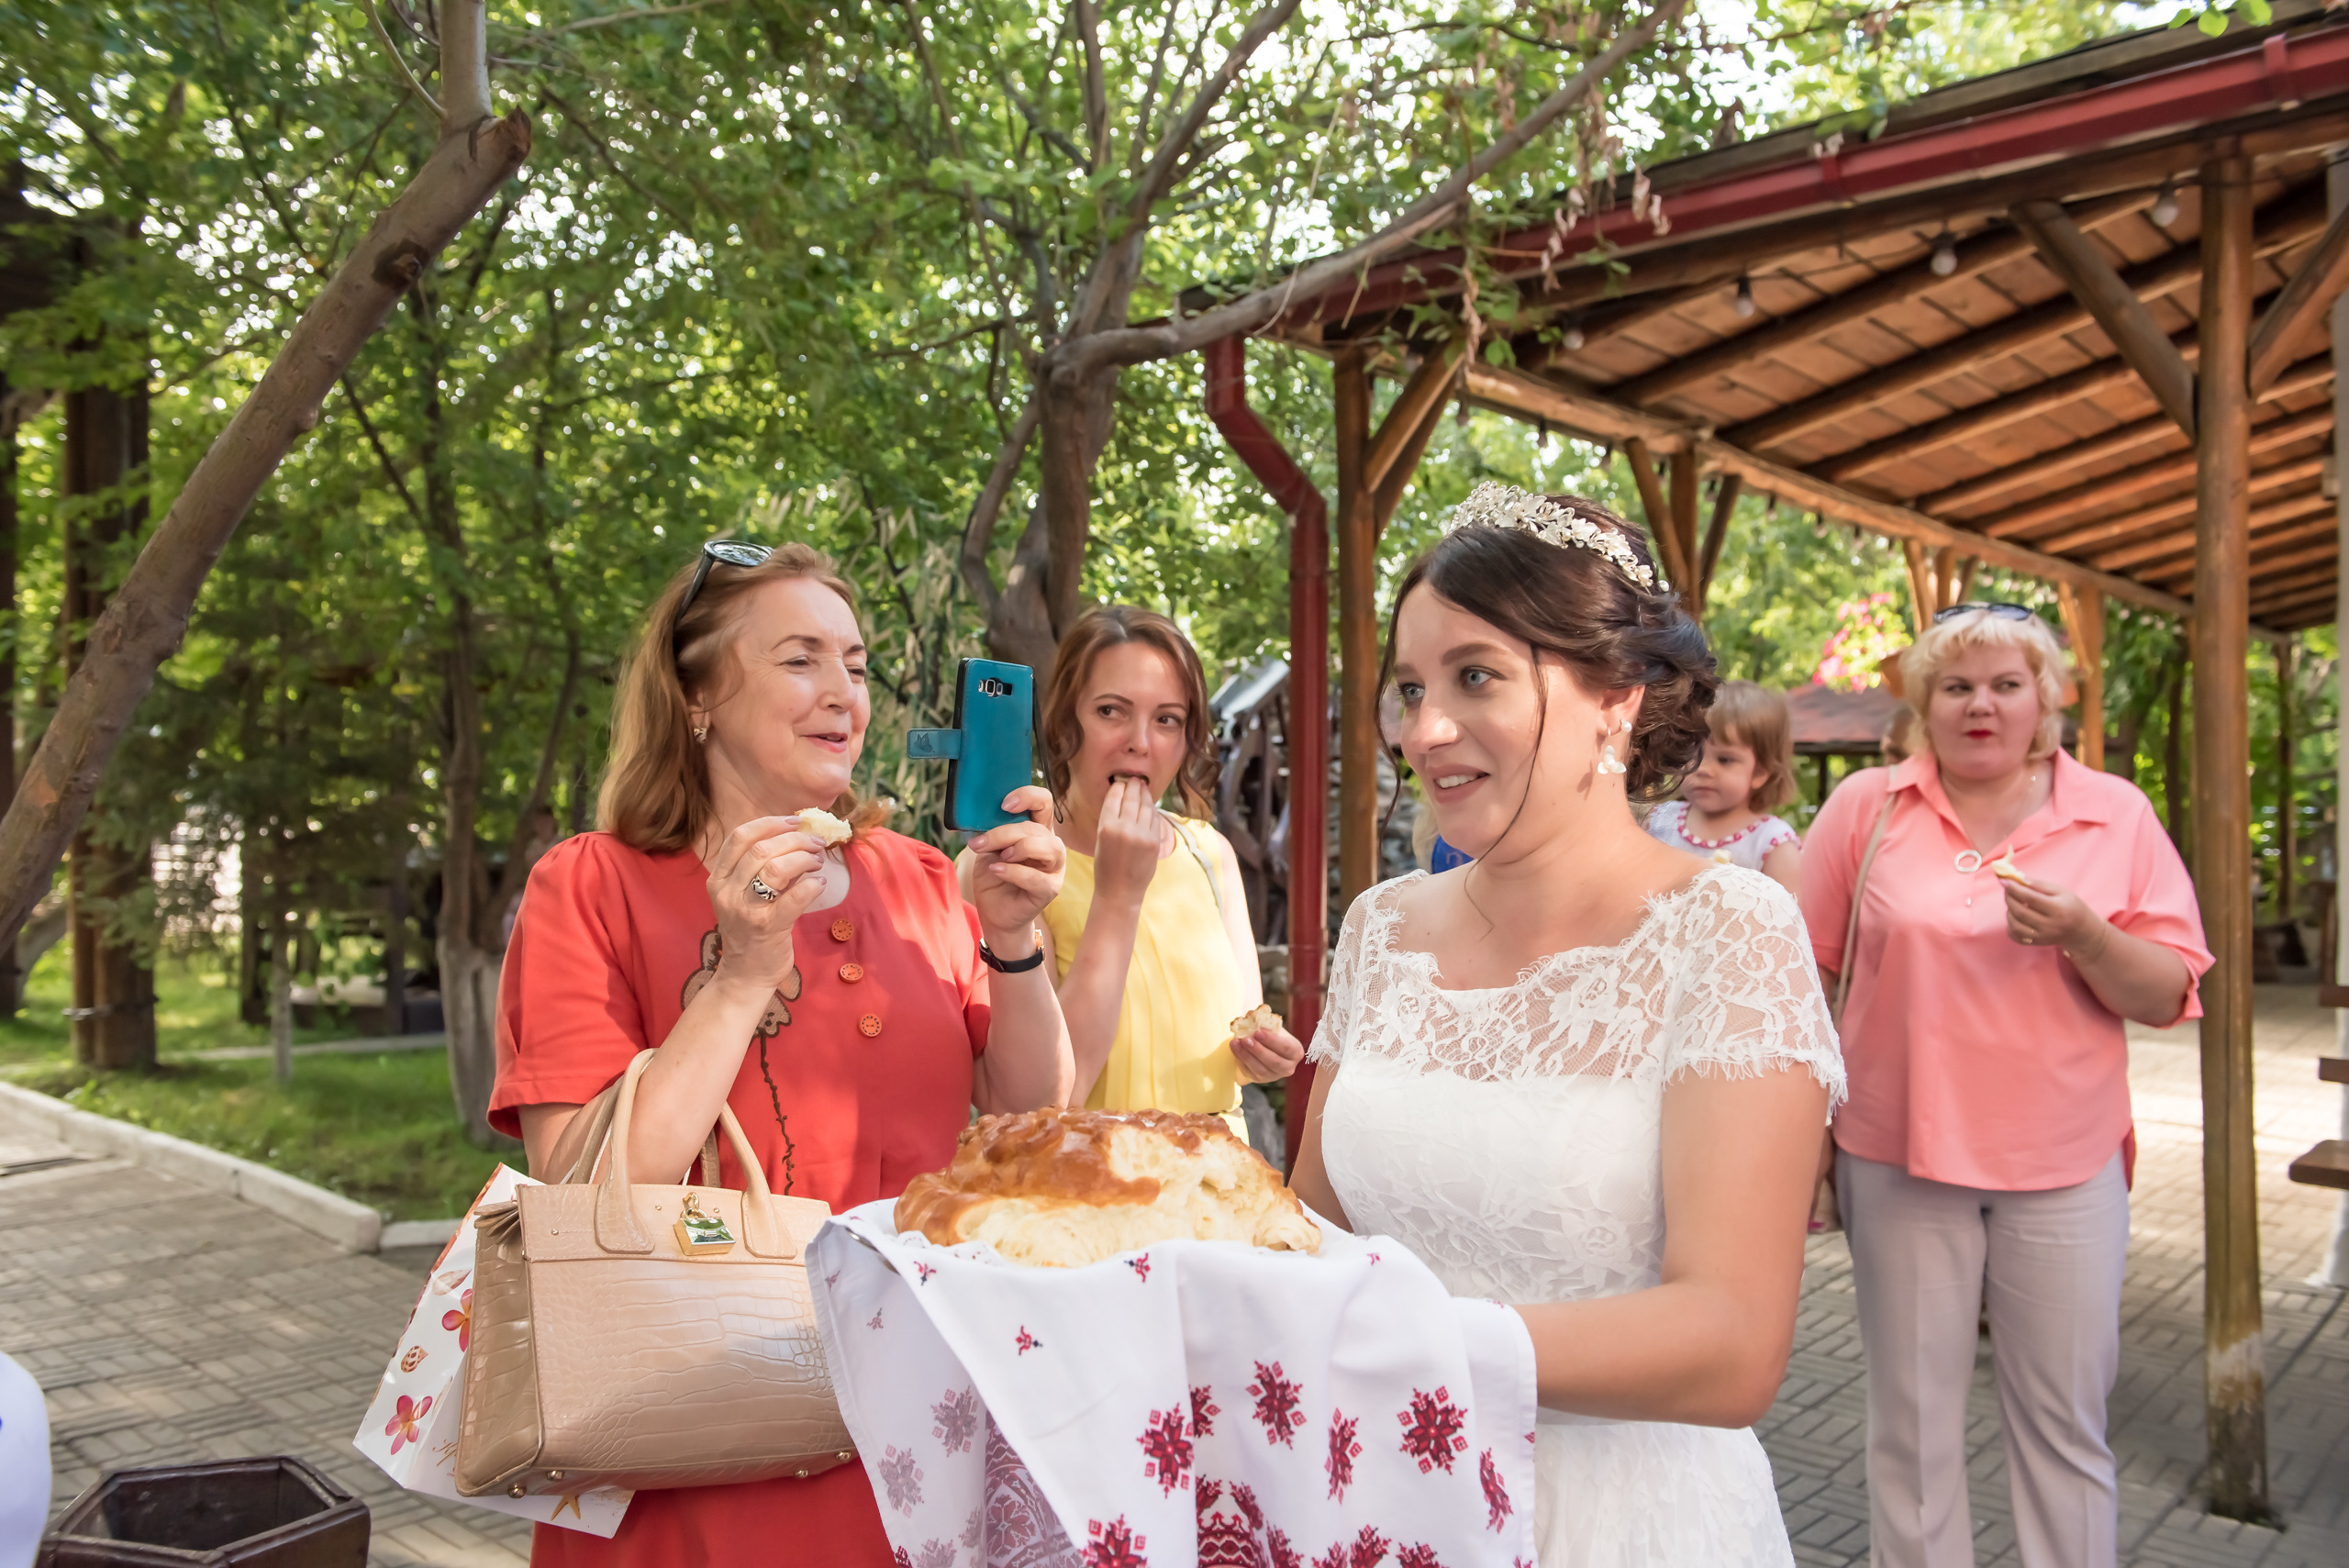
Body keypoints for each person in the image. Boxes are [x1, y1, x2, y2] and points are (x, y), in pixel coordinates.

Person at [1289, 483, 1843, 1567]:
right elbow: (1311, 1231)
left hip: (1616, 1519)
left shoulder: (1724, 931)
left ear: (1616, 696)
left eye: (1476, 676)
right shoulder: (1382, 927)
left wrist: (1404, 1346)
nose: (1425, 730)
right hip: (1383, 1505)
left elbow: (1732, 1343)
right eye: (1408, 688)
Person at [491, 540, 1074, 1568]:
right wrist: (743, 968)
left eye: (853, 662)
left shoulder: (920, 877)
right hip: (694, 1442)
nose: (843, 692)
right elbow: (587, 1183)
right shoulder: (590, 886)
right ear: (697, 694)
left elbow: (1029, 1108)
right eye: (800, 659)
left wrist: (1015, 939)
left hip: (913, 1433)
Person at [1799, 602, 2210, 1568]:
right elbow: (1801, 979)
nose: (1980, 704)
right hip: (1896, 1155)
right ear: (1922, 701)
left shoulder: (2114, 811)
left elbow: (2166, 991)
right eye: (1956, 686)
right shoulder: (1868, 806)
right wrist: (1799, 1140)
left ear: (2045, 699)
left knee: (2065, 1427)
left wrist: (2085, 933)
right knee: (1910, 1430)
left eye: (2004, 684)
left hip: (2062, 1163)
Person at [965, 606, 1301, 1139]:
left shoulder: (1209, 852)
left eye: (1166, 719)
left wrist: (1264, 1053)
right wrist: (1117, 896)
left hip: (1215, 1183)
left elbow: (1241, 1027)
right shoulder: (1009, 863)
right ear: (1063, 722)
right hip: (1087, 1186)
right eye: (1111, 711)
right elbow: (1046, 1099)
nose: (1140, 741)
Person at [1647, 679, 1802, 894]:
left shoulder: (1772, 844)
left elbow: (1788, 922)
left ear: (1760, 772)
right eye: (1693, 754)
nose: (1703, 769)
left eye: (1724, 760)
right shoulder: (1659, 821)